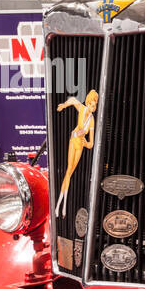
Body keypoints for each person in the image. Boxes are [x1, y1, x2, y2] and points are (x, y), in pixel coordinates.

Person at [55, 88, 98, 216]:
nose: (92, 106)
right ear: (88, 102)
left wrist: (85, 143)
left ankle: (61, 206)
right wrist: (64, 105)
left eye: (94, 105)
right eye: (91, 103)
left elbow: (91, 143)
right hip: (73, 140)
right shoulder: (82, 109)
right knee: (68, 170)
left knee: (70, 172)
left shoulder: (92, 121)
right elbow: (73, 100)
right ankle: (61, 207)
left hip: (80, 144)